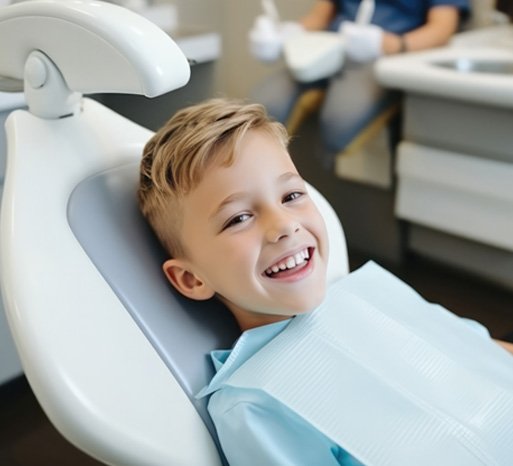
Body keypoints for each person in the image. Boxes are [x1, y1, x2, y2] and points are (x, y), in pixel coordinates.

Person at [138, 98, 513, 466]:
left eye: (292, 195)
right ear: (191, 278)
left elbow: (478, 348)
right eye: (238, 218)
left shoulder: (367, 296)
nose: (284, 225)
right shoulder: (256, 405)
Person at [250, 0, 470, 166]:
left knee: (339, 122)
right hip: (330, 46)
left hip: (385, 56)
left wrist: (388, 44)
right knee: (261, 109)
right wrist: (290, 34)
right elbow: (322, 13)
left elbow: (443, 28)